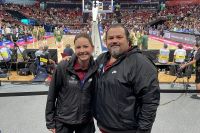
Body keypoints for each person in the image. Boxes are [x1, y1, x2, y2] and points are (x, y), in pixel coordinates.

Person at [93, 24, 160, 133]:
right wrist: (70, 61)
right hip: (104, 126)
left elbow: (150, 102)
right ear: (105, 42)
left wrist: (143, 130)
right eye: (110, 38)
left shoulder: (141, 63)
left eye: (119, 37)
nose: (114, 41)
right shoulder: (101, 59)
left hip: (127, 129)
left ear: (128, 40)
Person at [45, 33, 96, 133]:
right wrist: (50, 121)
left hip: (86, 121)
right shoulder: (63, 67)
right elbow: (52, 94)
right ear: (74, 49)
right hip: (63, 121)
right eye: (78, 47)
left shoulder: (96, 68)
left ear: (92, 48)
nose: (82, 50)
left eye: (85, 46)